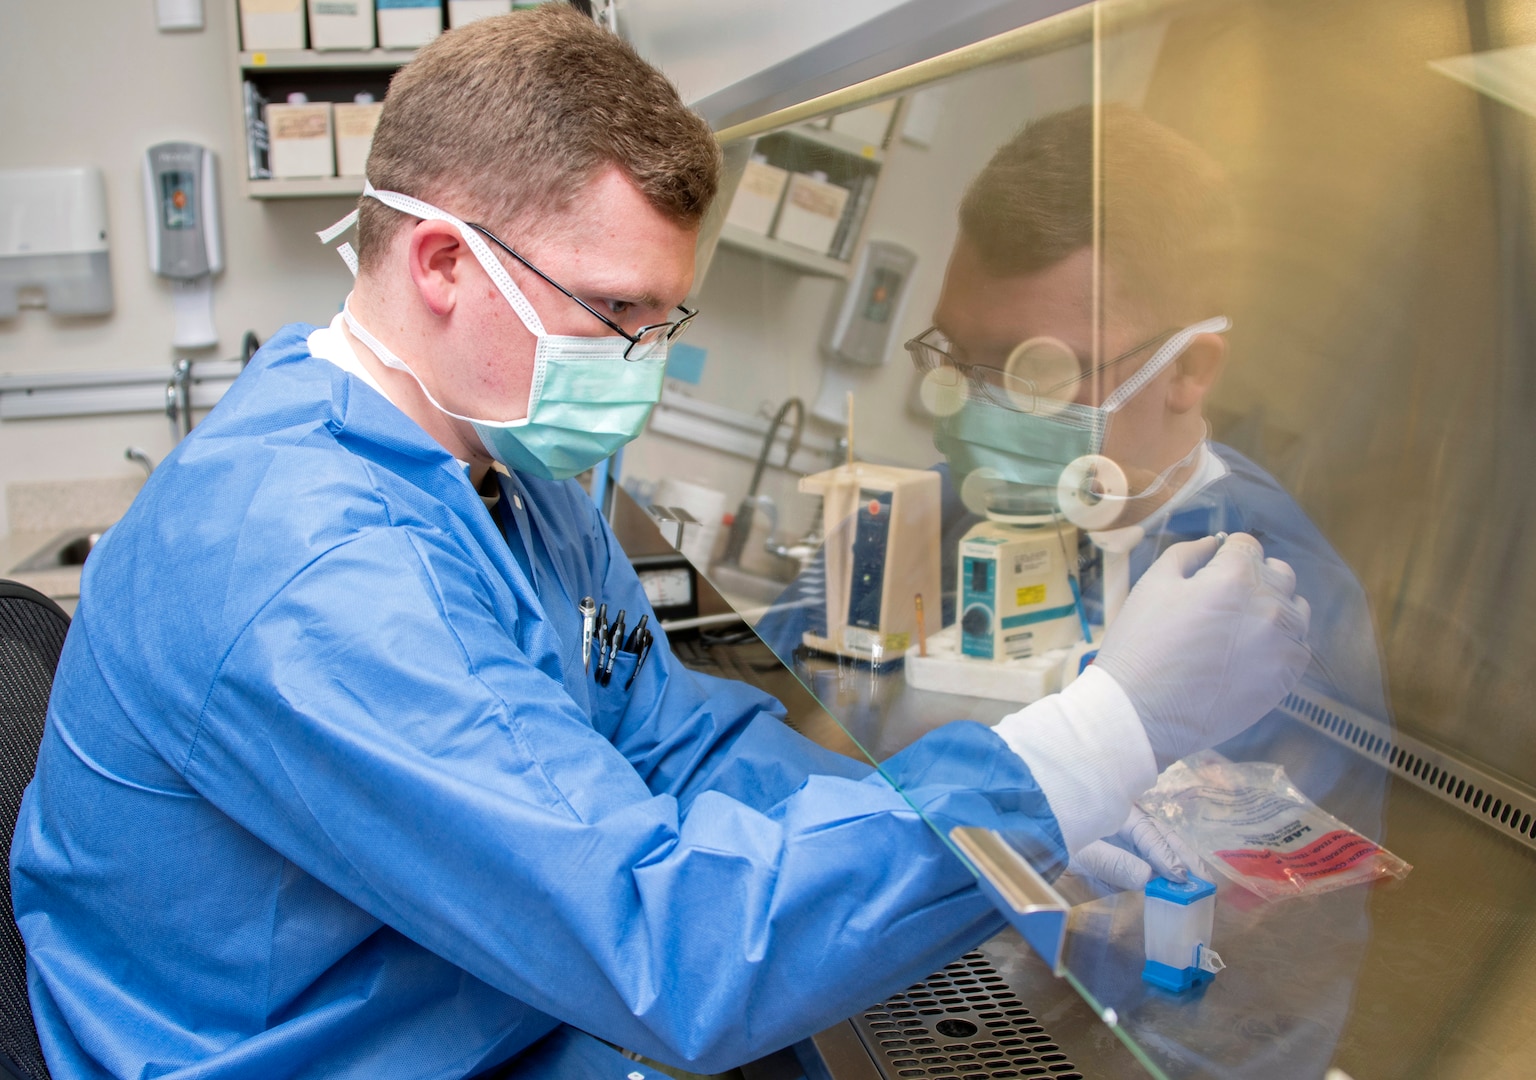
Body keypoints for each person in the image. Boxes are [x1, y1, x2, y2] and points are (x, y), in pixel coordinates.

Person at [10, 12, 1310, 1080]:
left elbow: (668, 735)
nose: (643, 371)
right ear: (444, 262)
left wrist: (1008, 804)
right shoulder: (300, 564)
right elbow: (674, 948)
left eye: (663, 319)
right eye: (615, 312)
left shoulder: (513, 463)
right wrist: (1102, 738)